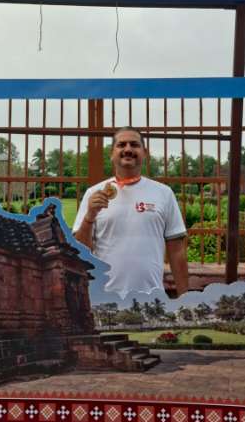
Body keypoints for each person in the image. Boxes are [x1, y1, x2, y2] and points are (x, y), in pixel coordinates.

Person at [73, 127, 188, 299]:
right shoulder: (94, 194)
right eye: (121, 145)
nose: (128, 149)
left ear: (144, 153)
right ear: (112, 154)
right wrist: (89, 217)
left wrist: (185, 298)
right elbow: (80, 252)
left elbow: (177, 251)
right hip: (104, 298)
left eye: (134, 144)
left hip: (151, 298)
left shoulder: (163, 193)